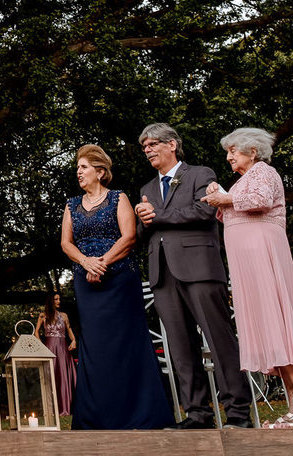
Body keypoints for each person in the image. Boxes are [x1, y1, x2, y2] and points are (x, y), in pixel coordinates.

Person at [202, 128, 293, 429]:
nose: (229, 156)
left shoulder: (263, 172)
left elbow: (259, 200)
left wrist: (225, 197)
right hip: (249, 263)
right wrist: (220, 197)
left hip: (264, 257)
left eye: (233, 150)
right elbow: (235, 209)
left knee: (280, 328)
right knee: (271, 332)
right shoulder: (242, 181)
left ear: (253, 152)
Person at [134, 123, 252, 428]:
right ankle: (198, 413)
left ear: (172, 144)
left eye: (153, 144)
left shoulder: (201, 174)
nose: (147, 150)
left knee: (219, 340)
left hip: (199, 268)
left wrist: (157, 216)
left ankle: (238, 412)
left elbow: (205, 212)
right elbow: (141, 234)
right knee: (180, 347)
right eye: (144, 146)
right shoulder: (147, 190)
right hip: (163, 275)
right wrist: (142, 219)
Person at [62, 144, 173, 430]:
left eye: (83, 168)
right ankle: (97, 417)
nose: (79, 173)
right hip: (86, 284)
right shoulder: (72, 204)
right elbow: (66, 243)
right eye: (77, 169)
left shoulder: (118, 198)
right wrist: (87, 263)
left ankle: (141, 413)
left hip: (120, 281)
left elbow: (129, 238)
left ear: (100, 172)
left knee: (127, 343)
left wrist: (102, 263)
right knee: (96, 348)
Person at [35, 292, 76, 416]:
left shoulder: (64, 315)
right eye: (56, 299)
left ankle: (65, 409)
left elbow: (69, 330)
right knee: (50, 376)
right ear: (51, 301)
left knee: (63, 377)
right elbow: (36, 332)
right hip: (49, 348)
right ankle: (51, 410)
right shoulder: (43, 315)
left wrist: (74, 340)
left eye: (59, 299)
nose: (59, 301)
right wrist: (41, 345)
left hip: (62, 349)